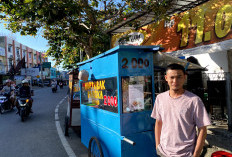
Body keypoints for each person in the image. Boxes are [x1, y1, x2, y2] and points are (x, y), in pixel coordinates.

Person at [151, 63, 211, 157]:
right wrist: (158, 146)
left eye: (179, 77)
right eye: (172, 77)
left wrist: (196, 154)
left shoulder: (194, 100)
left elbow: (202, 129)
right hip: (164, 152)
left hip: (186, 153)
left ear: (184, 77)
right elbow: (158, 122)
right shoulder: (160, 98)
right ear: (166, 78)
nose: (175, 81)